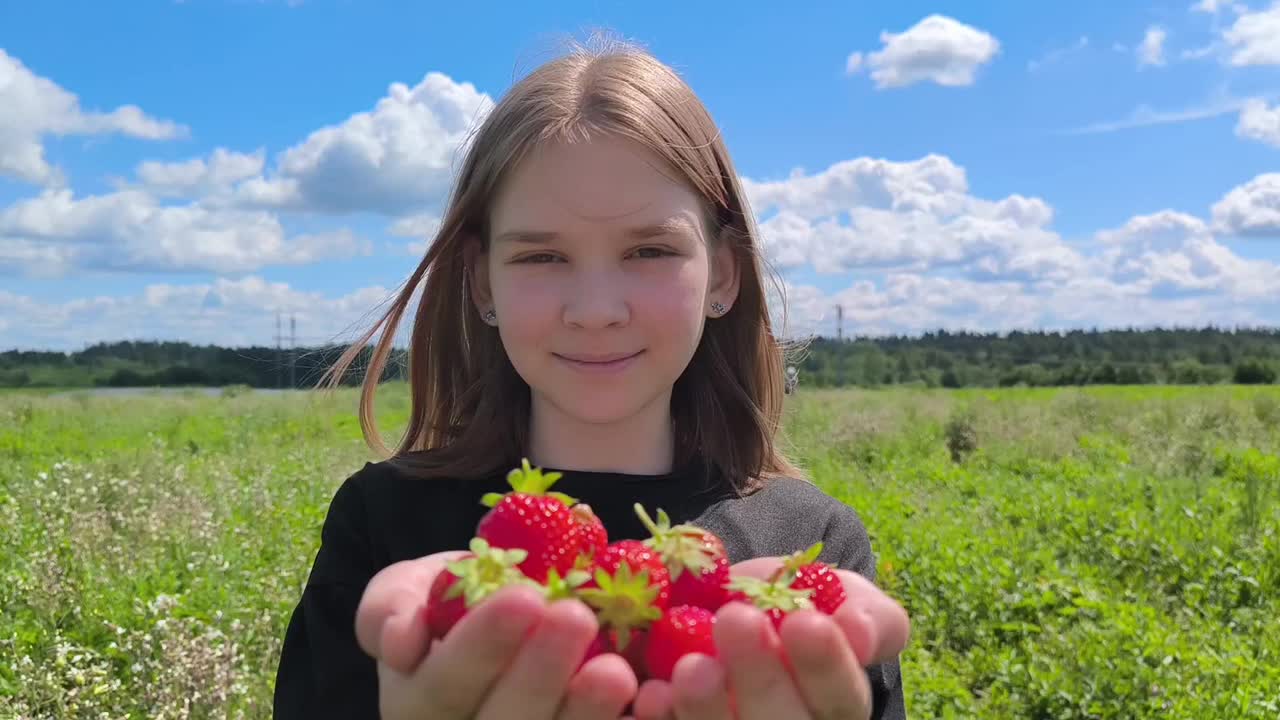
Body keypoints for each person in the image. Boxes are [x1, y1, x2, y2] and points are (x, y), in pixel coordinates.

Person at [273, 34, 911, 720]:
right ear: (481, 283)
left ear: (722, 274)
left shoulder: (812, 545)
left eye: (649, 249)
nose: (597, 311)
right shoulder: (383, 525)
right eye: (542, 258)